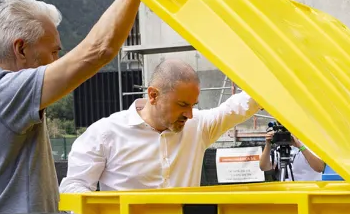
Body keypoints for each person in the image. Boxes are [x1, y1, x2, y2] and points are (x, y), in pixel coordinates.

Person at [0, 0, 194, 214]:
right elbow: (99, 50)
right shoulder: (0, 94)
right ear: (21, 49)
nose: (57, 61)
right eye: (53, 52)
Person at [59, 59, 260, 192]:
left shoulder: (198, 126)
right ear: (153, 95)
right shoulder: (105, 133)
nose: (189, 114)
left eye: (192, 105)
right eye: (182, 105)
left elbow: (239, 106)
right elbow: (74, 186)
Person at [259, 127, 325, 181]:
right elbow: (264, 167)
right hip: (288, 190)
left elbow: (320, 168)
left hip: (308, 190)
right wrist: (268, 144)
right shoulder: (280, 148)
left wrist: (300, 147)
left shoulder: (310, 146)